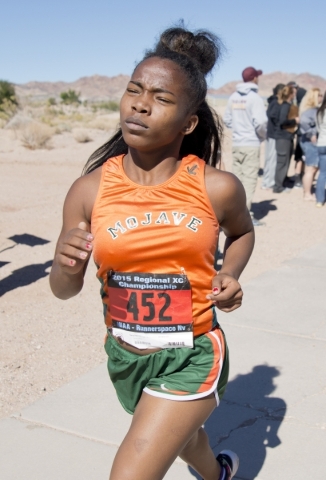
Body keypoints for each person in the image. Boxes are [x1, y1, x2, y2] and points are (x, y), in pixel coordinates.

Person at [49, 26, 255, 480]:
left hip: (192, 354)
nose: (140, 104)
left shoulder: (216, 187)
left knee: (133, 470)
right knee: (186, 439)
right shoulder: (88, 191)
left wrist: (232, 273)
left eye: (161, 98)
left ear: (189, 122)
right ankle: (219, 473)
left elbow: (241, 233)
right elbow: (64, 290)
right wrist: (64, 263)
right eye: (133, 90)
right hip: (126, 356)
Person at [223, 66, 267, 227]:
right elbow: (261, 122)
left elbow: (227, 119)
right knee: (248, 180)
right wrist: (261, 136)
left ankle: (233, 212)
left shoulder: (233, 97)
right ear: (254, 78)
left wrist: (238, 128)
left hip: (237, 143)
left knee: (238, 179)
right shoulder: (255, 98)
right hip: (251, 143)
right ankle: (244, 216)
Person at [273, 86, 299, 193]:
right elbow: (282, 121)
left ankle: (283, 182)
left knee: (286, 161)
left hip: (286, 137)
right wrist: (294, 121)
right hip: (283, 137)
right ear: (290, 94)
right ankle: (278, 186)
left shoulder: (287, 105)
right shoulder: (285, 106)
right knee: (282, 162)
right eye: (294, 93)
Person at [299, 88, 322, 200]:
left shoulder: (315, 110)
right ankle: (307, 193)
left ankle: (308, 190)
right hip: (310, 142)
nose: (321, 97)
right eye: (319, 95)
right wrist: (312, 134)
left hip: (313, 142)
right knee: (311, 167)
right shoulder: (309, 111)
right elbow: (304, 123)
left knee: (315, 167)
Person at [261, 83, 285, 189]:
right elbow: (273, 116)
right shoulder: (275, 103)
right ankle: (268, 182)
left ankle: (267, 181)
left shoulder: (272, 101)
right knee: (271, 159)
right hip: (273, 134)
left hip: (271, 133)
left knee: (270, 158)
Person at [293, 85, 307, 188]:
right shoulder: (304, 108)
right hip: (303, 136)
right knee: (301, 158)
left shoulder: (297, 106)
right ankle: (298, 179)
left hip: (299, 135)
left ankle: (298, 178)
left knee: (300, 158)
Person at [315, 91, 326, 207]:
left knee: (322, 173)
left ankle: (319, 200)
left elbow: (318, 128)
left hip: (321, 142)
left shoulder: (320, 110)